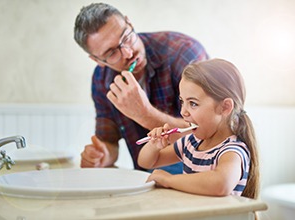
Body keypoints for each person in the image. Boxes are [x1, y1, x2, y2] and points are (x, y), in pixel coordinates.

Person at [73, 3, 209, 173]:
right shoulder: (101, 79)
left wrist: (144, 114)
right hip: (148, 180)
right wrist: (102, 156)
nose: (128, 53)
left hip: (202, 176)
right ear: (98, 61)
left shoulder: (183, 52)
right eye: (111, 53)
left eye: (126, 37)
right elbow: (109, 141)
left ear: (130, 23)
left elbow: (207, 131)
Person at [138, 59, 260, 199]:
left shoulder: (232, 150)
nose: (184, 112)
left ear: (225, 107)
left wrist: (169, 180)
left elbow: (221, 184)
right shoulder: (190, 143)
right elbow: (147, 162)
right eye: (182, 102)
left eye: (193, 103)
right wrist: (154, 146)